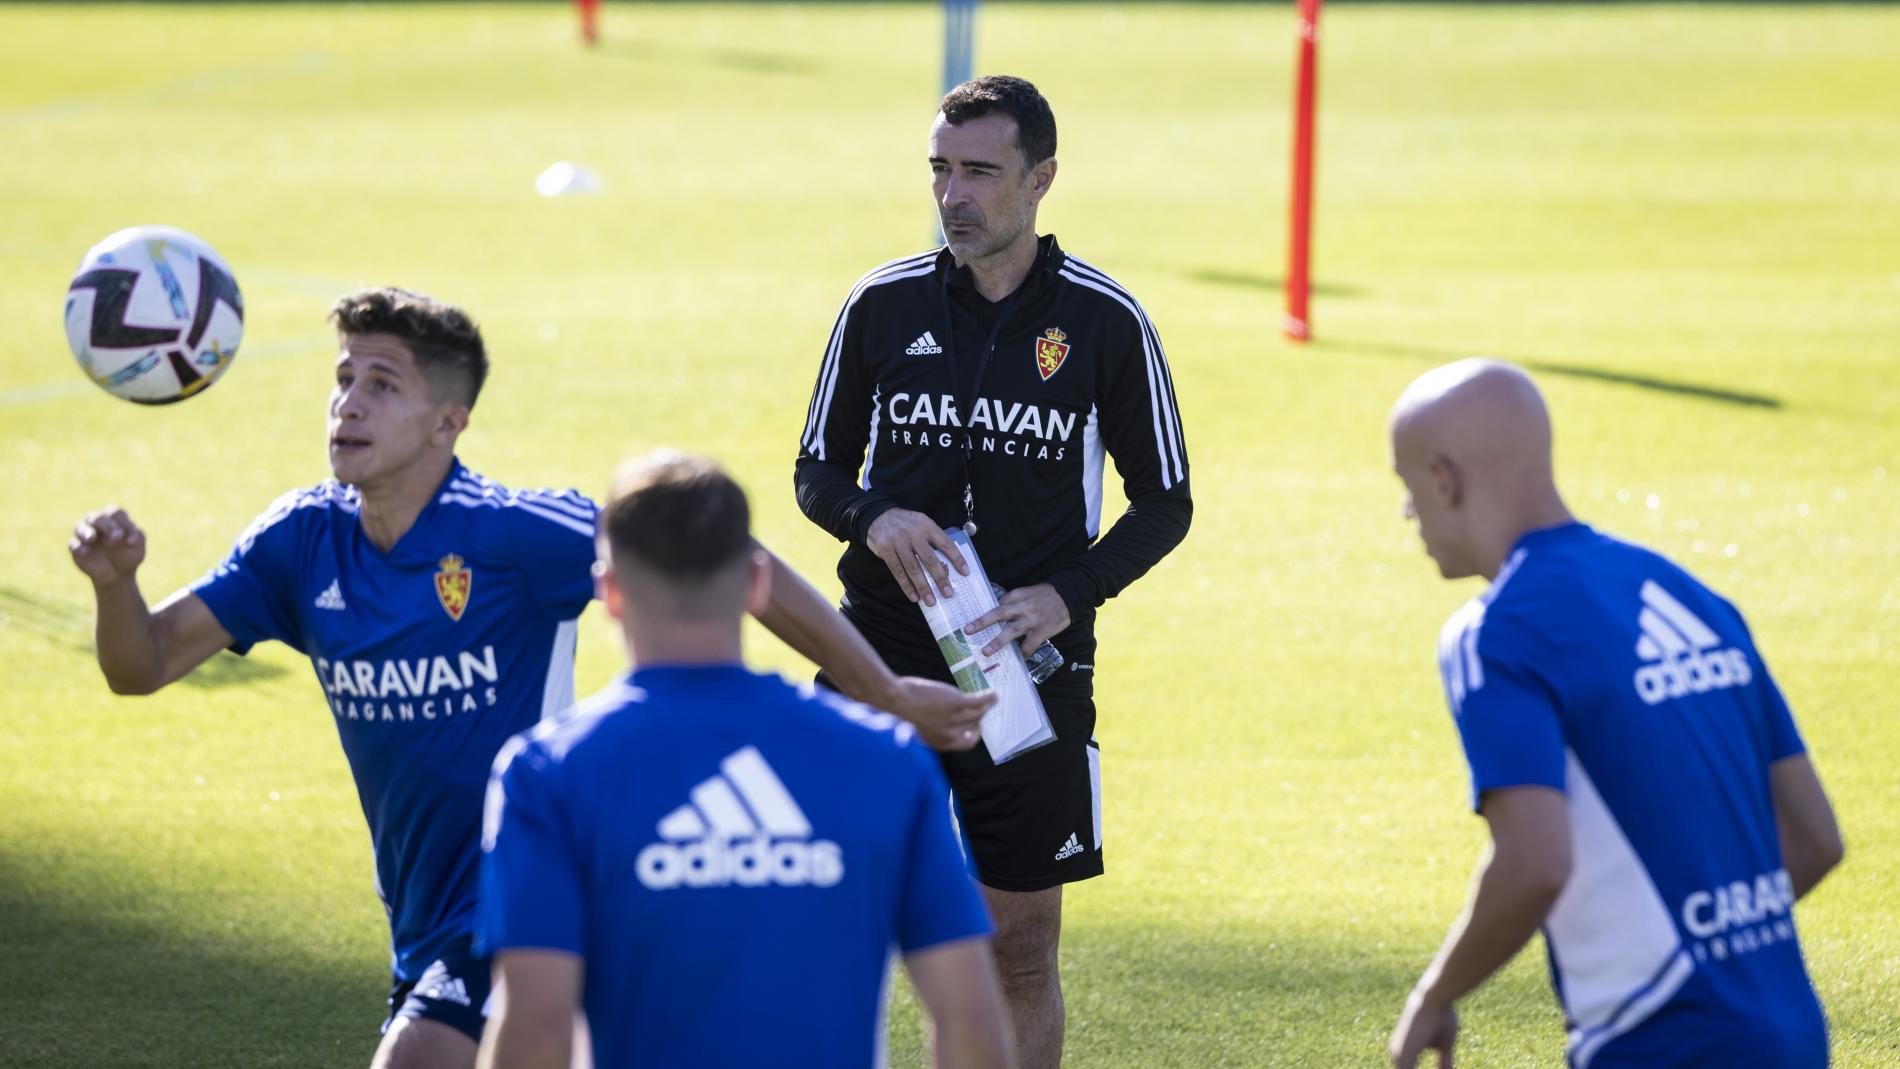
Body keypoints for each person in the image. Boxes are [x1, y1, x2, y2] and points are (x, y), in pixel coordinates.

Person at [66, 287, 992, 1069]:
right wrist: (117, 585)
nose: (348, 403)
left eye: (381, 384)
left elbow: (725, 555)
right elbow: (141, 664)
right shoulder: (298, 545)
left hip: (528, 880)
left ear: (448, 421)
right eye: (343, 380)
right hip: (425, 913)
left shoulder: (511, 533)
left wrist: (884, 690)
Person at [795, 75, 1191, 1067]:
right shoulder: (879, 305)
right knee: (824, 924)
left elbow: (1166, 501)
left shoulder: (1105, 324)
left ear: (1041, 178)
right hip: (877, 656)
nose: (953, 195)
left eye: (979, 172)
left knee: (1018, 946)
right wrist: (871, 515)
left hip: (1028, 669)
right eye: (939, 170)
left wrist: (1068, 595)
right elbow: (814, 470)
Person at [476, 452, 1015, 1069]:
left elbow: (535, 1033)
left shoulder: (545, 773)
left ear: (612, 593)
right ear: (757, 584)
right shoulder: (885, 760)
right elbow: (970, 1022)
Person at [1384, 359, 1844, 1069]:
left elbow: (1533, 862)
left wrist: (1436, 993)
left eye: (1407, 488)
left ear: (1443, 480)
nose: (1409, 513)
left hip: (1661, 1046)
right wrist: (1711, 936)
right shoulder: (1691, 595)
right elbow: (1816, 838)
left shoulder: (1494, 632)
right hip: (1791, 1033)